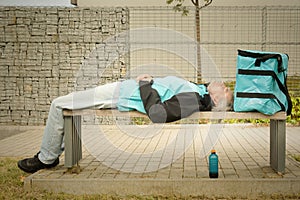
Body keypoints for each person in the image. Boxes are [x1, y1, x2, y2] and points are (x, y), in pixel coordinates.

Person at [17, 74, 233, 173]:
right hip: (125, 90)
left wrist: (144, 83)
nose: (223, 84)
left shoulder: (193, 99)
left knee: (58, 104)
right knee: (66, 107)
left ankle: (46, 159)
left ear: (216, 99)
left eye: (225, 89)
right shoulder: (199, 91)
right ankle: (51, 153)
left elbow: (158, 114)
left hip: (122, 94)